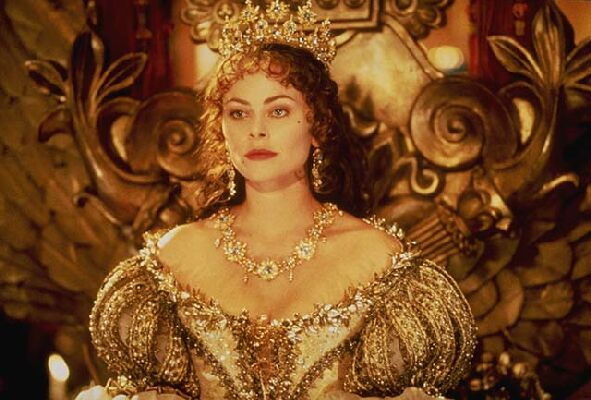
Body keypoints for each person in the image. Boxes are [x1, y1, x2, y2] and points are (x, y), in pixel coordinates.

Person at [86, 1, 476, 399]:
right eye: (239, 114)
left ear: (317, 126)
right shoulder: (173, 259)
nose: (256, 130)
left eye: (278, 112)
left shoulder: (378, 261)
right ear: (221, 130)